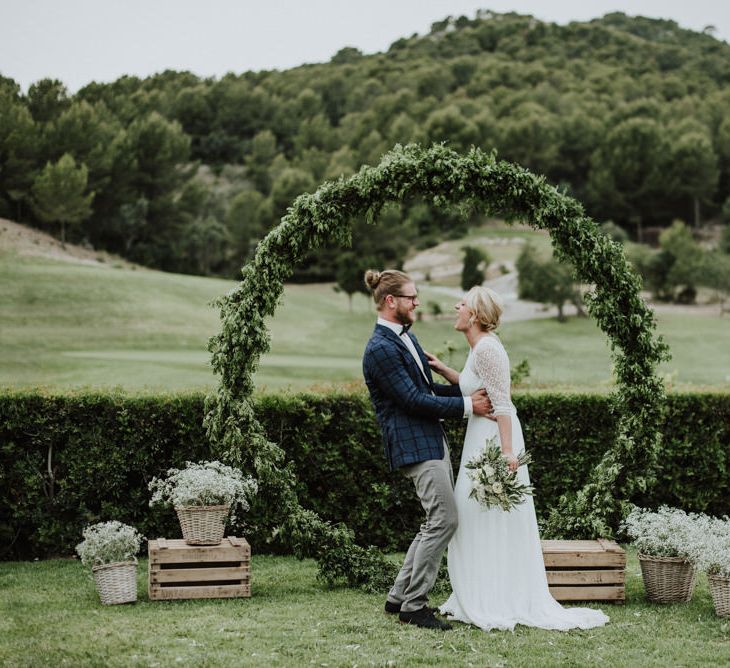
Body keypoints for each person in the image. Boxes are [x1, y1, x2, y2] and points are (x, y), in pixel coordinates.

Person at [426, 285, 609, 631]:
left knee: (486, 516)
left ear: (475, 315)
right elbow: (472, 386)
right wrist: (443, 370)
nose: (456, 307)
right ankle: (480, 591)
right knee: (474, 517)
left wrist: (507, 454)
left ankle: (494, 597)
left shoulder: (489, 350)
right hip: (480, 437)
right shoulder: (477, 348)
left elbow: (504, 402)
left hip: (494, 442)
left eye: (461, 304)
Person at [362, 269, 494, 631]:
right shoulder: (380, 349)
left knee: (433, 522)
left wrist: (470, 395)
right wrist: (470, 407)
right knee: (445, 521)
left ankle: (398, 596)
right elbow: (413, 400)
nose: (417, 302)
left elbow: (429, 389)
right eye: (411, 297)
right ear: (391, 301)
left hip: (430, 440)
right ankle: (415, 606)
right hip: (415, 445)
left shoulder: (406, 337)